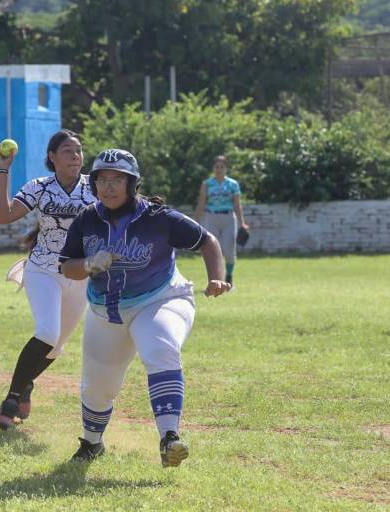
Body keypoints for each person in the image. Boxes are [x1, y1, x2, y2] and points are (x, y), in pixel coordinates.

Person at [59, 149, 230, 467]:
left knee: (159, 346)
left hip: (161, 297)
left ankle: (169, 438)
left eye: (117, 180)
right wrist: (88, 264)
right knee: (98, 386)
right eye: (102, 180)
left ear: (132, 183)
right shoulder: (87, 219)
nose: (108, 187)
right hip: (106, 311)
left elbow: (208, 241)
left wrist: (217, 279)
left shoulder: (158, 217)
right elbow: (67, 267)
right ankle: (92, 443)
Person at [0, 129, 96, 430]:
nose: (75, 155)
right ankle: (11, 399)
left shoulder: (95, 187)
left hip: (80, 274)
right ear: (52, 157)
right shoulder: (40, 187)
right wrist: (3, 170)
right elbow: (3, 215)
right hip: (43, 270)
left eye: (78, 150)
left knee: (55, 347)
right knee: (47, 333)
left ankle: (25, 386)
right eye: (67, 151)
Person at [194, 155, 249, 286]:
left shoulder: (232, 184)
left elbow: (237, 205)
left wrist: (242, 223)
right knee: (213, 249)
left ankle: (229, 278)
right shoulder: (207, 184)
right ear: (213, 168)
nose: (219, 169)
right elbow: (201, 203)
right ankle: (215, 280)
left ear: (226, 168)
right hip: (211, 217)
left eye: (222, 167)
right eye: (216, 166)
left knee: (229, 249)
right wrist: (194, 221)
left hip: (229, 218)